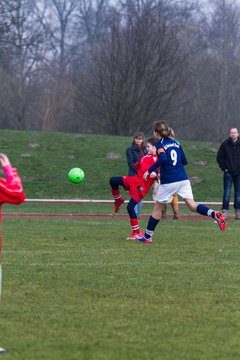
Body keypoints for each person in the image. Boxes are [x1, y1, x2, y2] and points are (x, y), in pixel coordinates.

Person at [137, 121, 226, 244]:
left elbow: (162, 158)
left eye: (154, 131)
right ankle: (214, 214)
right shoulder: (176, 143)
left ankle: (147, 237)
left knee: (157, 208)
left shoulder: (160, 144)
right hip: (183, 179)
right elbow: (184, 161)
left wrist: (149, 170)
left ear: (157, 133)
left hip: (169, 180)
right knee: (192, 205)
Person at [110, 138, 159, 240]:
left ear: (155, 147)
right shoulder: (147, 156)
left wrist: (156, 174)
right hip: (134, 180)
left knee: (130, 207)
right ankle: (118, 199)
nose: (147, 148)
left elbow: (160, 169)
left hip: (141, 187)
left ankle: (136, 232)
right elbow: (138, 166)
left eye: (149, 146)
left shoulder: (157, 159)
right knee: (113, 180)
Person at [217, 128, 240, 220]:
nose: (233, 134)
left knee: (238, 193)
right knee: (227, 193)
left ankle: (238, 212)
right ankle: (225, 212)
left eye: (235, 133)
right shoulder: (225, 144)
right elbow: (219, 158)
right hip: (228, 173)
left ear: (238, 134)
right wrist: (225, 168)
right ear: (229, 134)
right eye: (231, 133)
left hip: (239, 173)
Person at [126, 132, 148, 218]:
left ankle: (137, 215)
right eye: (136, 139)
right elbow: (130, 163)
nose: (138, 141)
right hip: (134, 175)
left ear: (143, 140)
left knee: (140, 196)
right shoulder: (130, 150)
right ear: (134, 139)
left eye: (140, 139)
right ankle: (134, 215)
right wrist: (139, 171)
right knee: (134, 195)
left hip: (143, 177)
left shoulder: (145, 150)